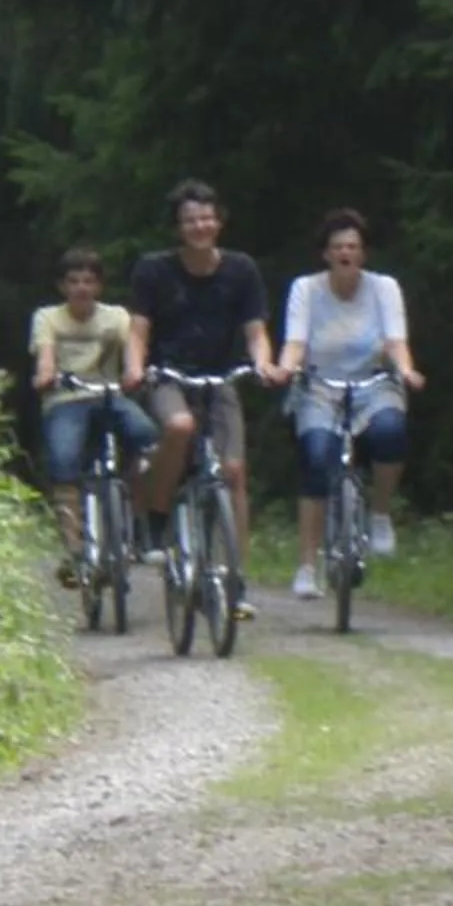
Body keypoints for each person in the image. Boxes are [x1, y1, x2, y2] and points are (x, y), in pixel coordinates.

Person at [125, 181, 284, 613]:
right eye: (191, 219)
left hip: (220, 377)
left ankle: (236, 583)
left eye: (207, 217)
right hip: (168, 374)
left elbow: (255, 330)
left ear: (220, 221)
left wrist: (263, 363)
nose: (201, 225)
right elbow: (139, 329)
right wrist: (135, 367)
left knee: (233, 472)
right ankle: (156, 523)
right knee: (179, 427)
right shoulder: (153, 270)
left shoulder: (241, 269)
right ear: (178, 226)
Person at [278, 208, 423, 599]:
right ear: (325, 254)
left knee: (391, 432)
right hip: (320, 386)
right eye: (338, 247)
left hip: (373, 384)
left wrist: (407, 371)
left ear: (364, 253)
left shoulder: (384, 288)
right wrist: (284, 369)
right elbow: (296, 342)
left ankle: (379, 514)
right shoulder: (306, 289)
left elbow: (395, 341)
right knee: (316, 456)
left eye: (353, 247)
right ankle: (308, 566)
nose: (346, 253)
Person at [30, 246, 158, 587]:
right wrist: (45, 375)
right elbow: (45, 355)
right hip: (66, 398)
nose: (81, 288)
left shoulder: (116, 316)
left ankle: (137, 518)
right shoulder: (48, 317)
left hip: (108, 394)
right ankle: (74, 550)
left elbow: (132, 349)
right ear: (62, 287)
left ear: (99, 286)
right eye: (74, 281)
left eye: (89, 281)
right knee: (64, 460)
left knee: (146, 435)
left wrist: (134, 371)